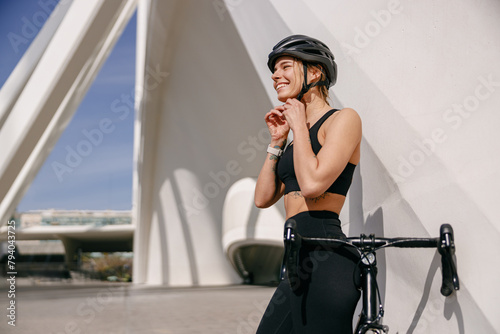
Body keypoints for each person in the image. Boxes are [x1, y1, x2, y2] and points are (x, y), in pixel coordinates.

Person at [254, 35, 362, 333]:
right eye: (274, 70)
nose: (276, 76)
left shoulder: (343, 119)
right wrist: (277, 141)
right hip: (295, 255)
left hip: (327, 254)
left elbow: (313, 185)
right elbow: (262, 198)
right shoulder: (296, 139)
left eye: (285, 66)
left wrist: (299, 127)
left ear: (315, 72)